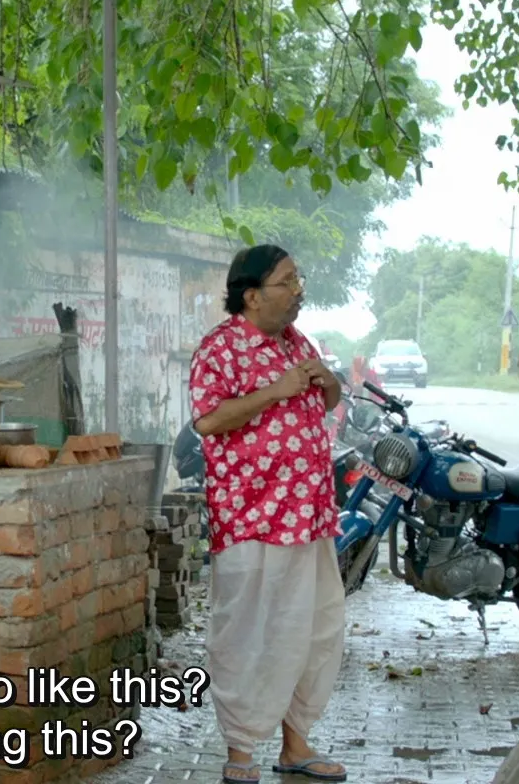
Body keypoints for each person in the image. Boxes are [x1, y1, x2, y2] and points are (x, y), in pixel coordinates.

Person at [188, 244, 348, 784]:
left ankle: (295, 745)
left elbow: (319, 405)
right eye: (287, 282)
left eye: (298, 280)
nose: (298, 291)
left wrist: (328, 383)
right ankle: (240, 751)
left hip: (309, 516)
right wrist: (275, 390)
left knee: (313, 631)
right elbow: (209, 421)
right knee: (251, 633)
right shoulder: (220, 348)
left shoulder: (297, 341)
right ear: (252, 296)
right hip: (252, 518)